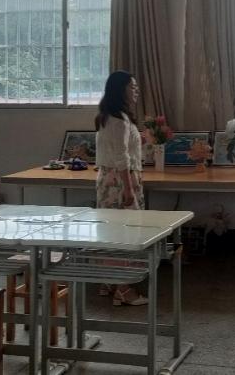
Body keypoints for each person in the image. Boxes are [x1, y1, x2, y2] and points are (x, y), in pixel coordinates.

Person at [94, 70, 148, 306]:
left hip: (109, 179)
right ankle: (124, 289)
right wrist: (128, 188)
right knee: (125, 234)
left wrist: (142, 139)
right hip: (120, 181)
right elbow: (121, 157)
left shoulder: (110, 117)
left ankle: (109, 282)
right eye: (132, 87)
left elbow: (119, 149)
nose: (136, 91)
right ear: (120, 90)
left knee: (111, 232)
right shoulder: (119, 120)